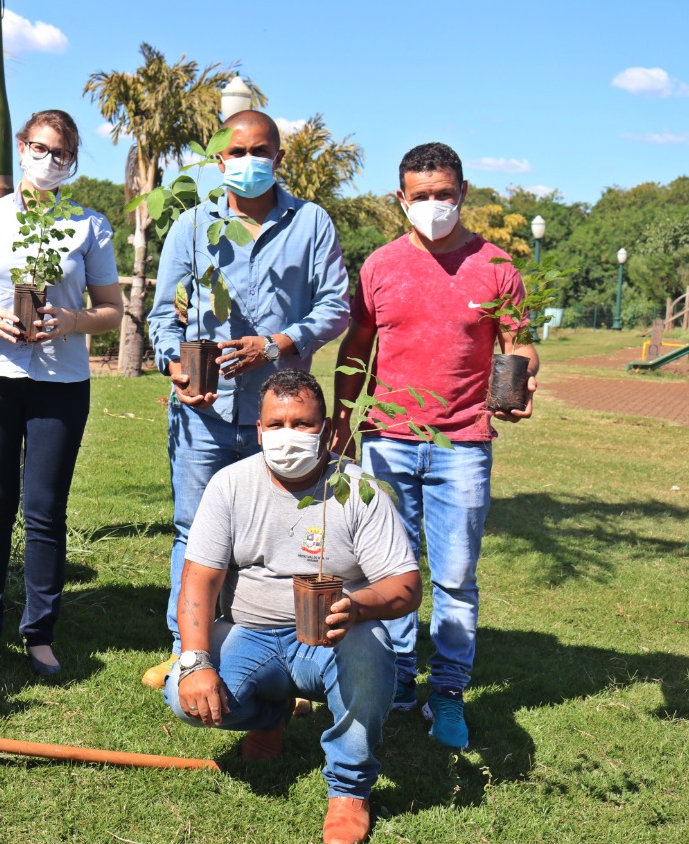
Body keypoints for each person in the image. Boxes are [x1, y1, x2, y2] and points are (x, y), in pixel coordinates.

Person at [333, 142, 538, 750]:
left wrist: (526, 379)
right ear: (401, 200)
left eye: (443, 194)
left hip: (464, 443)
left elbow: (519, 344)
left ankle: (447, 694)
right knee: (388, 569)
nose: (433, 206)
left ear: (463, 192)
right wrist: (343, 422)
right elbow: (355, 349)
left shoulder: (496, 268)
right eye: (420, 196)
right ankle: (396, 683)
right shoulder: (380, 266)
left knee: (454, 579)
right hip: (388, 441)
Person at [165, 370, 420, 844]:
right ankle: (270, 717)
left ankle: (349, 790)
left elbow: (406, 586)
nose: (289, 435)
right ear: (258, 430)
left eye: (302, 423)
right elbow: (199, 581)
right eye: (276, 423)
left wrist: (357, 606)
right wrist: (195, 661)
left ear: (326, 428)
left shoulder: (356, 489)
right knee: (183, 698)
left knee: (369, 649)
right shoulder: (230, 485)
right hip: (251, 632)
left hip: (333, 636)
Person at [144, 110, 350, 688]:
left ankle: (279, 648)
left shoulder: (310, 224)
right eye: (236, 153)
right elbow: (164, 316)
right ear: (218, 159)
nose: (248, 162)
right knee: (194, 528)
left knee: (279, 530)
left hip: (279, 416)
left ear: (279, 158)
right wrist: (177, 367)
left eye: (260, 151)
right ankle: (187, 646)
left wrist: (278, 343)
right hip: (203, 411)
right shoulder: (191, 226)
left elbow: (335, 306)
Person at [0, 109, 122, 676]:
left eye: (62, 154)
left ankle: (39, 633)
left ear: (72, 160)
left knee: (45, 511)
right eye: (40, 149)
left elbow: (111, 309)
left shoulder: (87, 224)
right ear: (22, 147)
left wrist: (70, 321)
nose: (49, 161)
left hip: (59, 385)